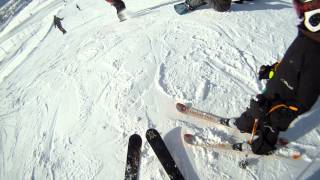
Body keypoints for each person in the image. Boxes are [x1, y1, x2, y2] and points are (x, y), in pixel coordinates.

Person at [220, 0, 320, 155]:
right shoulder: (307, 36)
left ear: (316, 18)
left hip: (282, 108)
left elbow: (304, 102)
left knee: (269, 126)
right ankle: (244, 124)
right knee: (256, 108)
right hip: (275, 89)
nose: (301, 13)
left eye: (305, 9)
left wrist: (278, 113)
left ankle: (261, 148)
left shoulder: (317, 55)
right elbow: (291, 61)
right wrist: (273, 69)